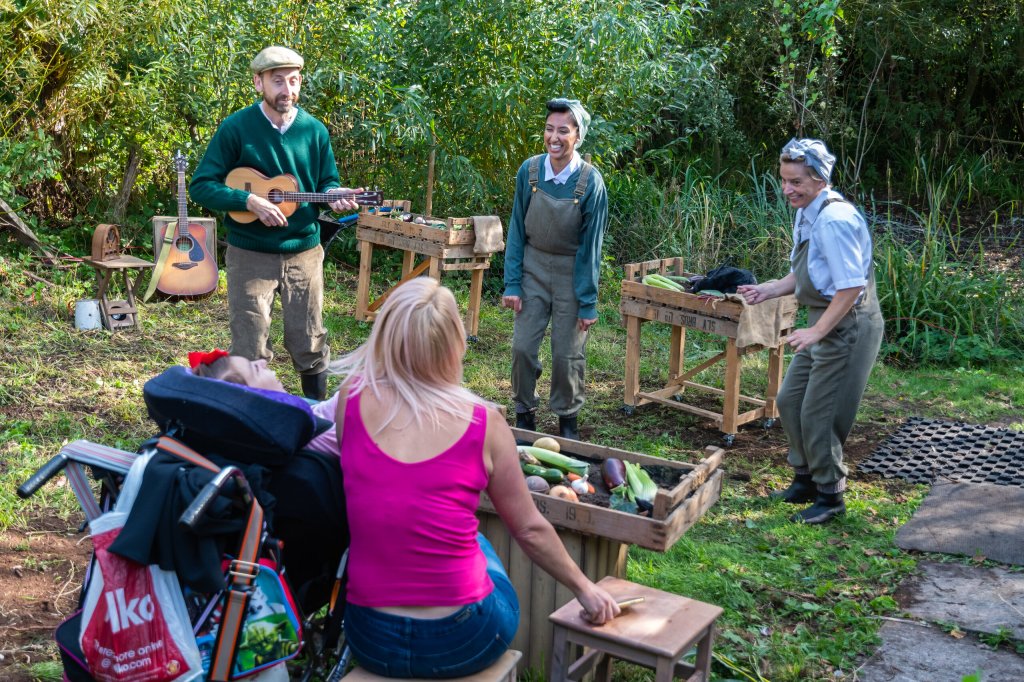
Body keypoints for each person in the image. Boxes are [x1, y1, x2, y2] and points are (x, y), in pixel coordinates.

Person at [329, 277, 619, 678]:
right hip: (464, 639)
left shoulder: (350, 399)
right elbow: (530, 530)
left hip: (372, 636)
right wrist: (585, 588)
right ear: (454, 344)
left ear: (385, 336)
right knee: (478, 542)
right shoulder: (484, 422)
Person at [190, 45, 362, 401]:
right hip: (249, 254)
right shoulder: (236, 128)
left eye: (294, 81)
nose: (288, 90)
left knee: (310, 341)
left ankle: (315, 416)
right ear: (258, 83)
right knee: (249, 344)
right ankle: (252, 420)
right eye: (278, 81)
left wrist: (336, 194)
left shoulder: (314, 132)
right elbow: (202, 185)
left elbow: (327, 183)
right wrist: (247, 200)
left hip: (304, 253)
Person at [737, 138, 884, 524]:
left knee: (820, 413)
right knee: (789, 400)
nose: (787, 189)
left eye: (796, 182)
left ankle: (830, 495)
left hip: (847, 326)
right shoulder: (809, 212)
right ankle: (805, 480)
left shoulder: (835, 220)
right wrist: (768, 289)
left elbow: (850, 287)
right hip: (823, 321)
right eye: (784, 181)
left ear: (820, 179)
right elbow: (807, 272)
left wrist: (817, 331)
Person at [501, 98, 608, 441]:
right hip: (532, 269)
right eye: (549, 129)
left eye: (563, 130)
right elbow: (516, 230)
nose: (554, 137)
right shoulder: (529, 172)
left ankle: (567, 422)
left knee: (567, 354)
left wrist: (587, 301)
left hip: (571, 275)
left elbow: (591, 249)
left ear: (578, 136)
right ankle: (524, 415)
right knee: (522, 348)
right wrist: (512, 283)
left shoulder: (591, 183)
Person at [188, 348, 340, 456]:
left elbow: (320, 413)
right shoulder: (323, 438)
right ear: (257, 403)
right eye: (255, 369)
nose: (262, 362)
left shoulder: (285, 425)